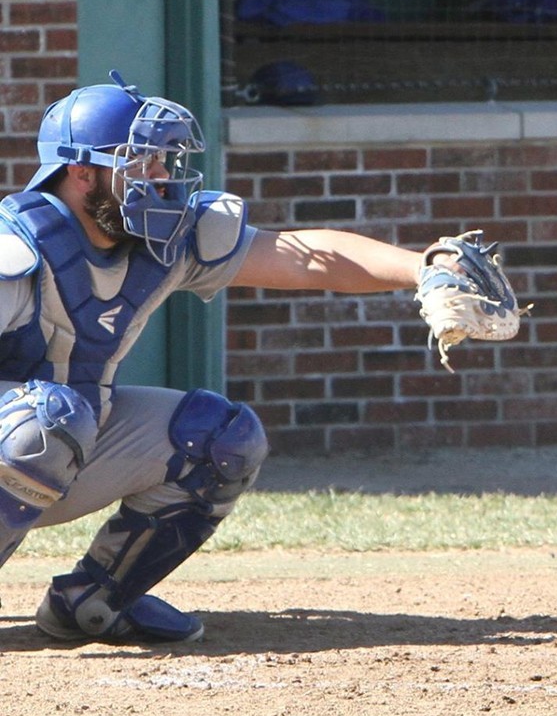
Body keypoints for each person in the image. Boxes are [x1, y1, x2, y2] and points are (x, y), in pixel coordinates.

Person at [0, 71, 433, 645]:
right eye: (141, 164)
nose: (160, 179)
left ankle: (93, 601)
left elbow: (307, 258)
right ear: (82, 171)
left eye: (162, 163)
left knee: (219, 438)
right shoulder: (16, 251)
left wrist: (425, 267)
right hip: (28, 439)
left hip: (60, 443)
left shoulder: (164, 240)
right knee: (47, 421)